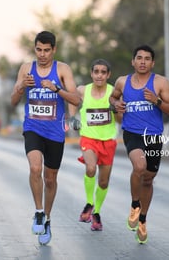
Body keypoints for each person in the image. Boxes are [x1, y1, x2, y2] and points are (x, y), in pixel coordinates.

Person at [10, 31, 82, 245]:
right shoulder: (26, 69)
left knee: (50, 179)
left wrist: (56, 88)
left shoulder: (62, 69)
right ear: (35, 49)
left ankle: (48, 219)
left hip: (55, 131)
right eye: (39, 50)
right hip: (32, 126)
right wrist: (22, 86)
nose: (42, 54)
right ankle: (39, 211)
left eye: (47, 50)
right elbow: (13, 100)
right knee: (34, 168)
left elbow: (76, 100)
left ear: (54, 50)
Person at [109, 45, 169, 244]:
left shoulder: (161, 82)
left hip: (154, 135)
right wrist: (115, 105)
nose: (142, 61)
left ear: (152, 63)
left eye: (147, 58)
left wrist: (156, 101)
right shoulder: (123, 81)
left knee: (148, 179)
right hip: (132, 133)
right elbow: (112, 97)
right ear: (133, 61)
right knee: (139, 166)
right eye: (139, 58)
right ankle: (134, 205)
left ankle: (143, 220)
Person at [68, 58, 121, 231]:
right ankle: (89, 203)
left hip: (108, 141)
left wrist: (117, 110)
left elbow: (121, 116)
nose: (99, 75)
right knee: (90, 168)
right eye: (96, 71)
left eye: (103, 72)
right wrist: (72, 117)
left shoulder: (114, 92)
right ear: (91, 73)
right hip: (88, 138)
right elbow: (72, 99)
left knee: (104, 182)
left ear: (108, 75)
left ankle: (96, 212)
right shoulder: (83, 90)